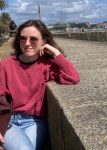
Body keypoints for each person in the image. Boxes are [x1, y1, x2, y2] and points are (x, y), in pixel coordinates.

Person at [0, 20, 80, 150]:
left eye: (33, 39)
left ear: (43, 41)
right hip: (8, 121)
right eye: (23, 38)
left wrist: (56, 53)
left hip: (34, 122)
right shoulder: (5, 66)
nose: (27, 43)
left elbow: (72, 78)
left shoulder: (47, 66)